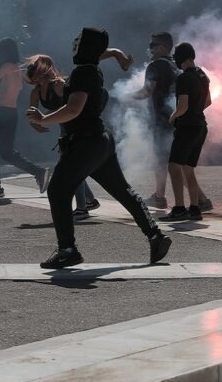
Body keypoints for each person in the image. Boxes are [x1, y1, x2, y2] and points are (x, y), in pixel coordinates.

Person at [26, 27, 172, 269]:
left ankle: (68, 249)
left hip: (85, 142)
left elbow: (74, 108)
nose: (73, 43)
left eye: (78, 41)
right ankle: (155, 236)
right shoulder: (90, 67)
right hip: (100, 140)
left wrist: (42, 119)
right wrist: (115, 54)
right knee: (122, 190)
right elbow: (97, 54)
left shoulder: (83, 73)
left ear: (83, 48)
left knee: (57, 191)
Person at [131, 32, 213, 212]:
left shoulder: (156, 66)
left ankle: (199, 200)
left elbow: (146, 91)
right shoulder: (179, 68)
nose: (150, 48)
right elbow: (206, 101)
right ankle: (161, 196)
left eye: (153, 45)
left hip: (165, 121)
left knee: (174, 164)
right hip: (182, 122)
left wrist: (124, 97)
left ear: (162, 47)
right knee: (169, 162)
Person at [24, 54, 99, 222]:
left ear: (44, 71)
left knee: (72, 169)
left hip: (77, 127)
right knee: (71, 167)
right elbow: (31, 111)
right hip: (64, 129)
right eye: (33, 78)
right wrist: (34, 123)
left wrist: (43, 118)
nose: (35, 81)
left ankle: (82, 208)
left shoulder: (60, 85)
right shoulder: (36, 91)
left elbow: (72, 108)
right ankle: (90, 200)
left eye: (35, 75)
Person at [0, 37, 49, 198]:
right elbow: (13, 91)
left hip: (2, 114)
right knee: (7, 153)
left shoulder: (6, 66)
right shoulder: (17, 69)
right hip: (11, 114)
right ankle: (39, 172)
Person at [159, 42, 211, 222]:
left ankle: (179, 208)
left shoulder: (183, 78)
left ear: (179, 59)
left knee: (174, 166)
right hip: (201, 126)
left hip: (187, 127)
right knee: (188, 169)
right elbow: (208, 102)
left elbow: (182, 106)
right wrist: (197, 111)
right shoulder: (203, 75)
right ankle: (195, 208)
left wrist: (173, 116)